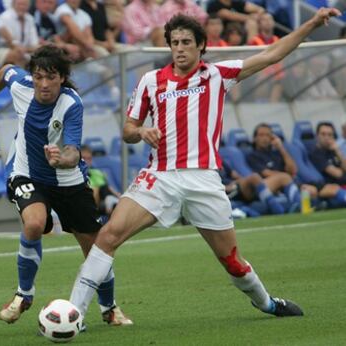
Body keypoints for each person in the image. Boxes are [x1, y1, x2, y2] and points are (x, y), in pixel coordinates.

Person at [69, 9, 341, 324]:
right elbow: (128, 130)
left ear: (201, 46)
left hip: (204, 181)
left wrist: (309, 24)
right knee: (109, 235)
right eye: (174, 42)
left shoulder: (217, 75)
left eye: (186, 42)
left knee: (233, 262)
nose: (180, 48)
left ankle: (267, 304)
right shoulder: (150, 81)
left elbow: (271, 54)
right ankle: (75, 313)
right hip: (160, 176)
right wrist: (142, 131)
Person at [0, 45, 132, 326]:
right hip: (26, 174)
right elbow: (5, 71)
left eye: (51, 78)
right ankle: (24, 294)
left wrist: (61, 160)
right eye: (38, 77)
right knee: (34, 224)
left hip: (68, 181)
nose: (43, 84)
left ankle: (109, 307)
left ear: (62, 78)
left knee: (95, 248)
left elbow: (73, 151)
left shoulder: (71, 104)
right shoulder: (21, 86)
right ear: (32, 76)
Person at [246, 123, 305, 212]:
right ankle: (299, 206)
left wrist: (281, 148)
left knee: (309, 189)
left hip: (283, 185)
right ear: (255, 138)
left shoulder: (276, 154)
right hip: (263, 186)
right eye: (261, 135)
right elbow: (266, 173)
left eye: (268, 135)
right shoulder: (253, 155)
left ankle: (295, 206)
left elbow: (293, 171)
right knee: (284, 178)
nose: (265, 138)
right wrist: (286, 177)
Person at [309, 122, 346, 206]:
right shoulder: (316, 153)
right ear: (317, 136)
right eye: (323, 134)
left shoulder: (334, 151)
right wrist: (342, 170)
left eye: (330, 135)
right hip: (332, 191)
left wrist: (338, 151)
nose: (326, 137)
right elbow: (338, 174)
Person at [81, 145, 121, 216]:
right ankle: (110, 202)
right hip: (89, 202)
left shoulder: (97, 173)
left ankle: (113, 202)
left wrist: (120, 197)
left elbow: (108, 187)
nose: (87, 161)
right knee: (96, 189)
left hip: (103, 200)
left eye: (89, 158)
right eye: (84, 158)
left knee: (104, 188)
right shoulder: (76, 175)